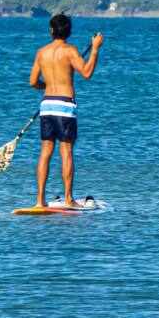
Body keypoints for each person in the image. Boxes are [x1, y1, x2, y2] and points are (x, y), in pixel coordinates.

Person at [28, 14, 103, 208]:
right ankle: (69, 199)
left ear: (52, 30)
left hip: (46, 105)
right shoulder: (70, 51)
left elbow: (33, 82)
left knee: (45, 152)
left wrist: (47, 86)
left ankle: (39, 201)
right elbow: (86, 73)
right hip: (64, 105)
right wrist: (94, 50)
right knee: (66, 151)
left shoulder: (41, 52)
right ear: (68, 31)